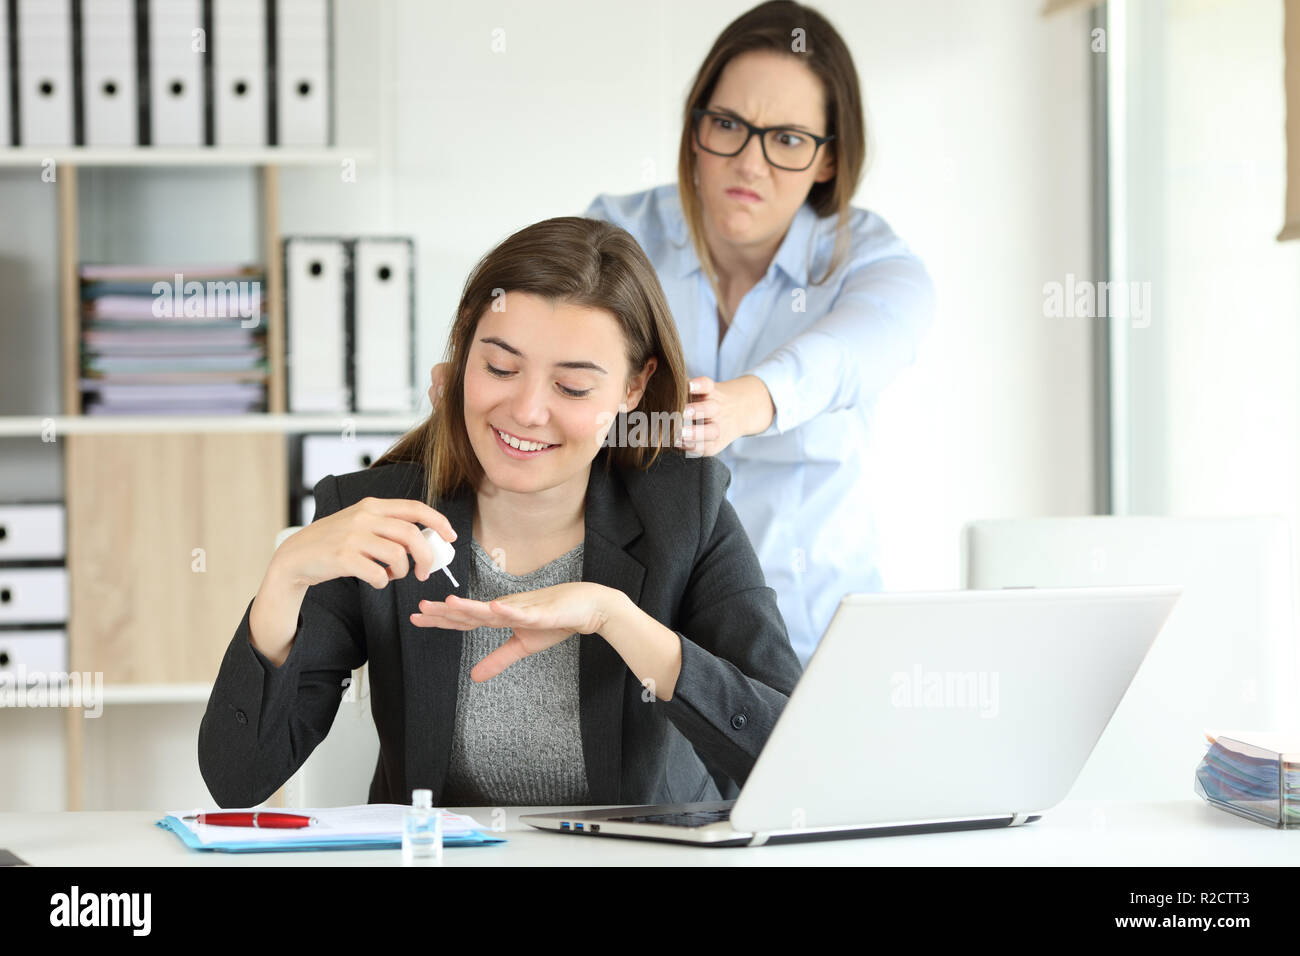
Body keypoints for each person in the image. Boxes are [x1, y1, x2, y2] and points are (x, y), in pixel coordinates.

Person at [198, 216, 802, 809]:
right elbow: (238, 779)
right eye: (500, 368)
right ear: (463, 352)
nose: (527, 410)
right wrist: (283, 581)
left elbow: (791, 755)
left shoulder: (684, 510)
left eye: (571, 387)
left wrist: (616, 619)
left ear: (633, 390)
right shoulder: (381, 516)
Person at [584, 1, 936, 667]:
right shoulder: (618, 237)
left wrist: (751, 401)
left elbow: (855, 351)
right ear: (696, 129)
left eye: (788, 138)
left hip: (813, 646)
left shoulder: (876, 263)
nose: (750, 163)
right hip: (643, 646)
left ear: (829, 160)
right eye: (729, 125)